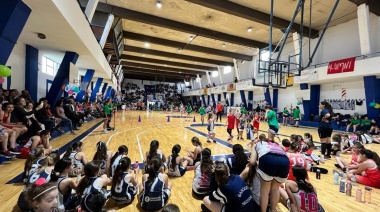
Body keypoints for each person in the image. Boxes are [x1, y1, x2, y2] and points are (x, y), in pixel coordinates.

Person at [250, 136, 289, 212]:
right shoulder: (277, 145)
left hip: (268, 159)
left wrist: (253, 148)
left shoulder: (258, 144)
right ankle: (273, 210)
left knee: (265, 190)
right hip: (285, 162)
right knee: (275, 189)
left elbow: (252, 162)